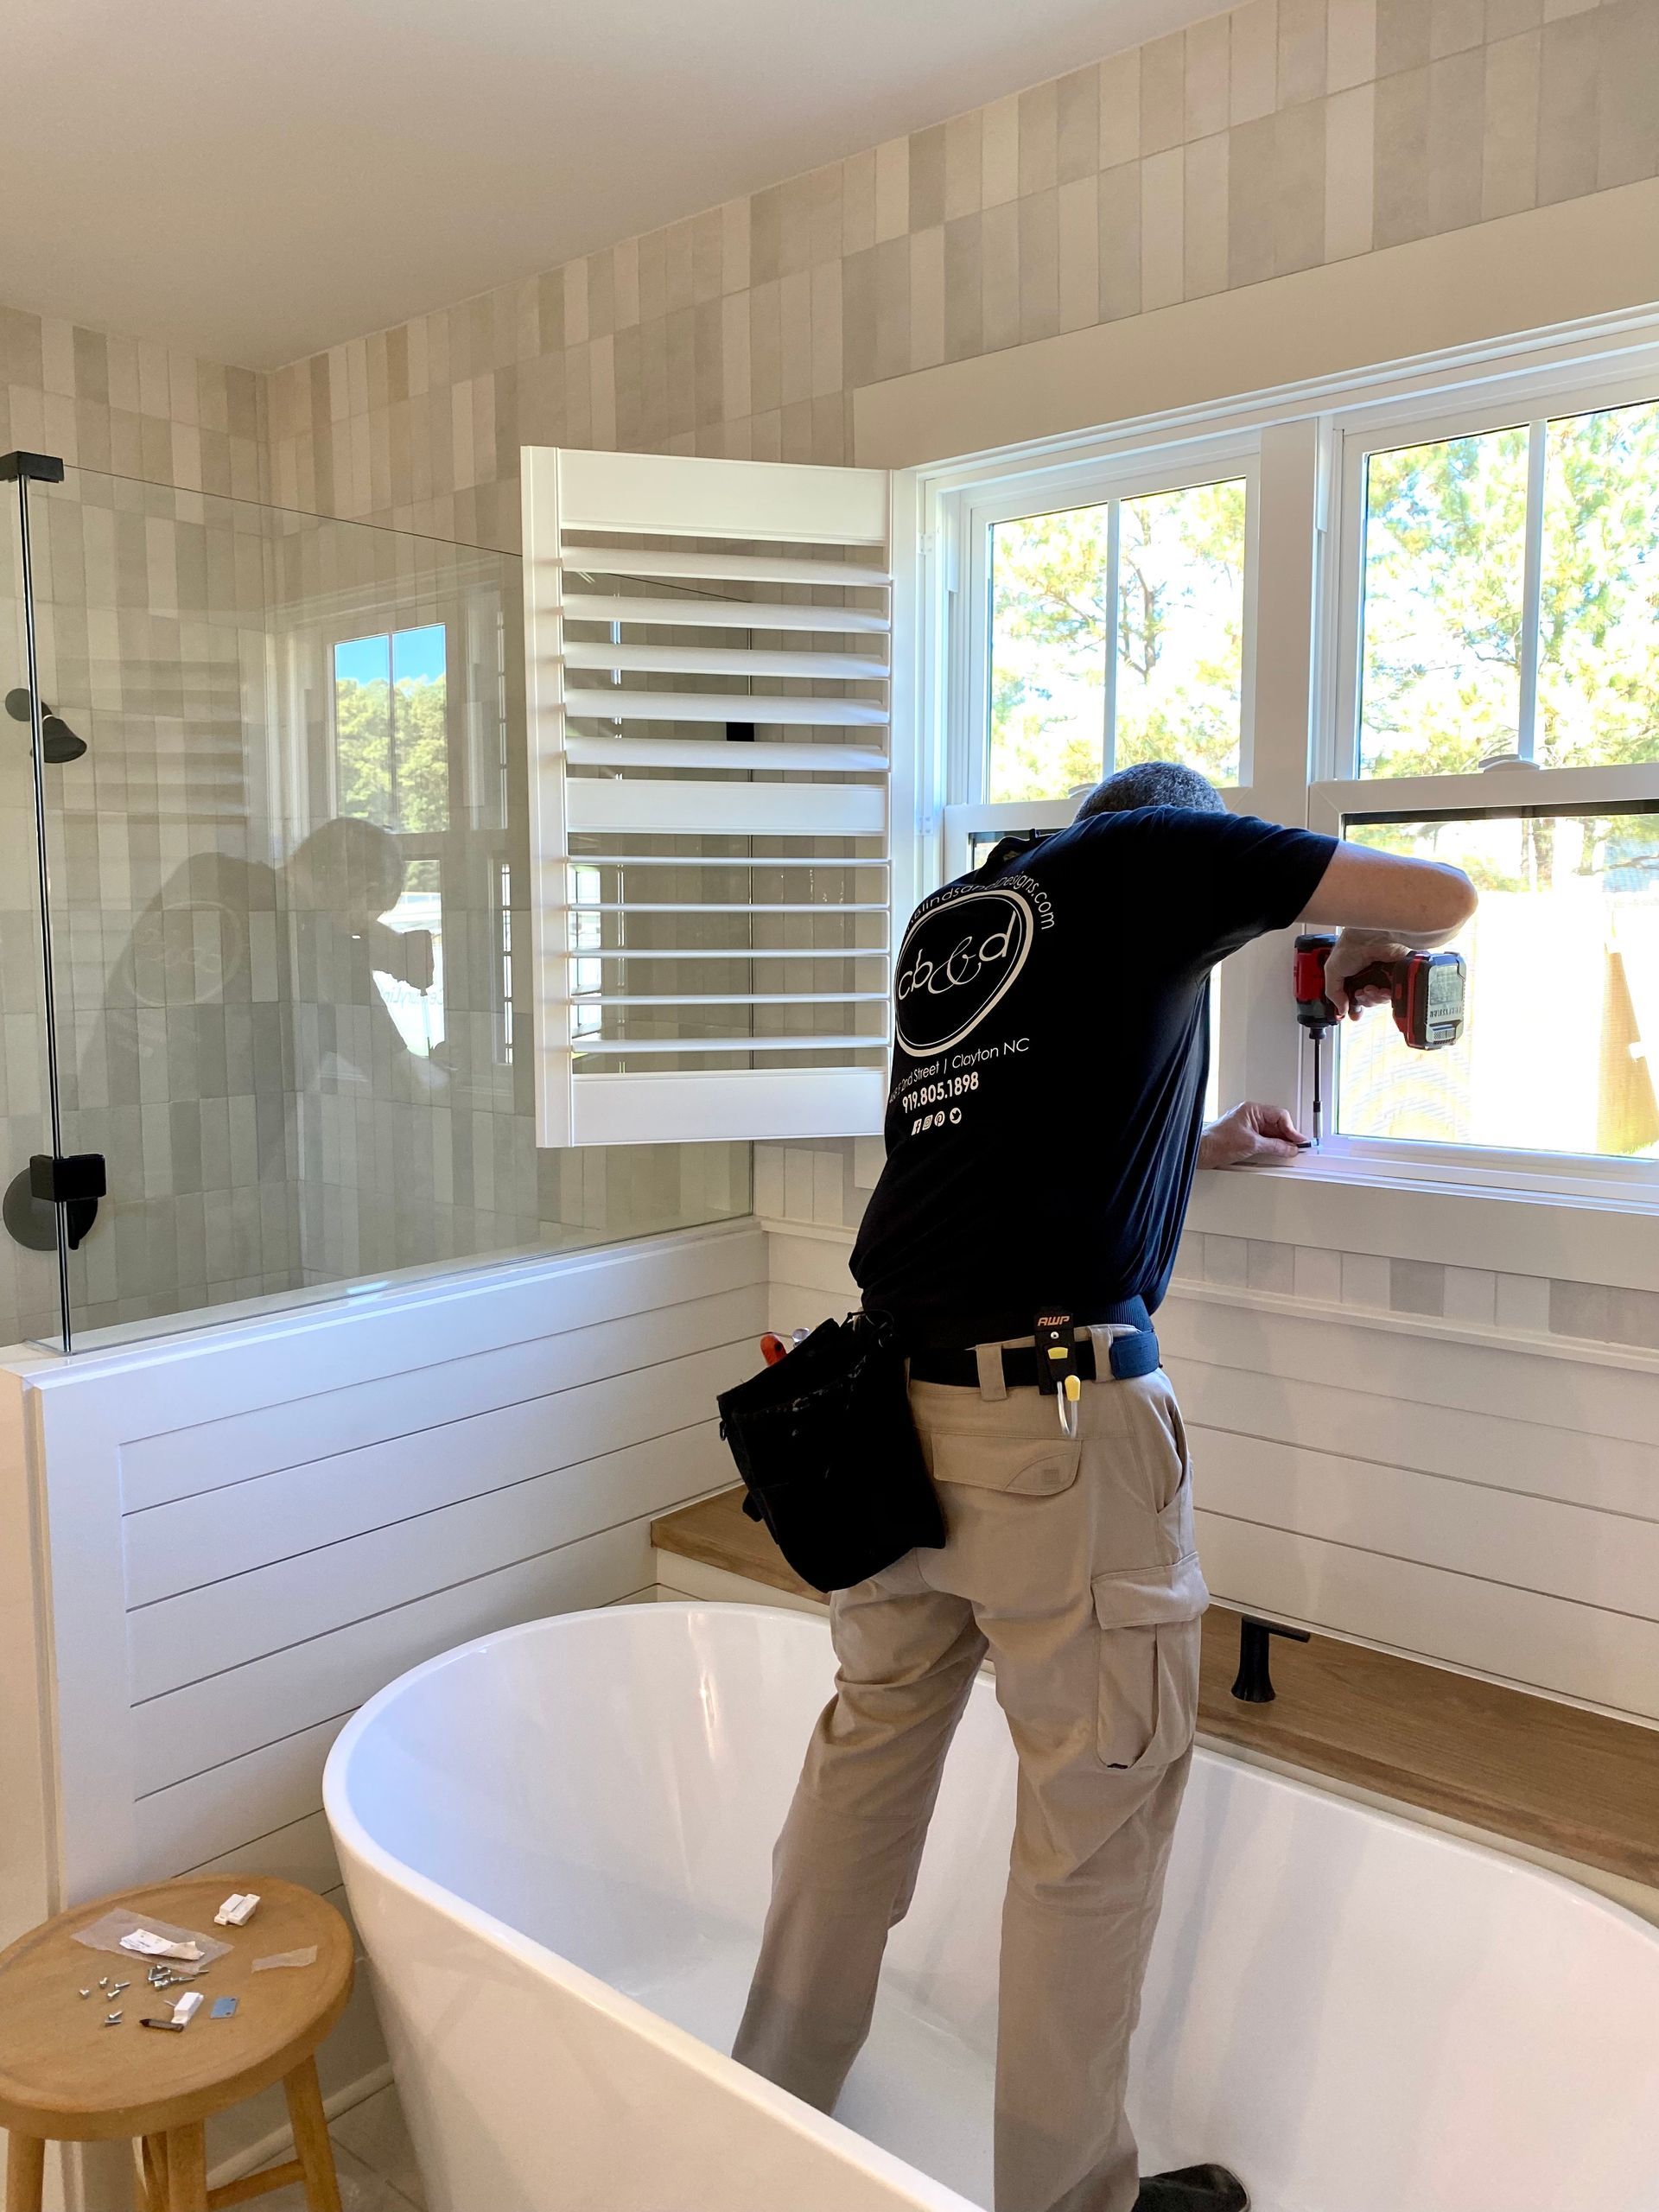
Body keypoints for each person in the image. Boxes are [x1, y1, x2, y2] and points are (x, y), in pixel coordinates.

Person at [732, 761, 1478, 2212]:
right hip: (1055, 1440)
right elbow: (1451, 895)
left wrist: (1192, 1150)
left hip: (891, 1417)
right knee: (1092, 1826)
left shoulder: (971, 909)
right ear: (1175, 833)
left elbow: (1013, 1160)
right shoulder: (1160, 857)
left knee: (864, 1763)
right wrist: (1374, 944)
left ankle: (761, 2101)